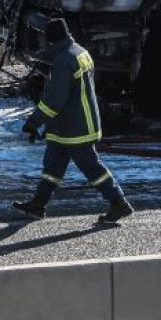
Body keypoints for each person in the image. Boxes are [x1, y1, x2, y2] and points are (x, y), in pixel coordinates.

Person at [13, 19, 135, 224]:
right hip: (70, 125)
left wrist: (33, 123)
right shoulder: (80, 52)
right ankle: (38, 204)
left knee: (92, 169)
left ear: (51, 39)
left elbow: (53, 101)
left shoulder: (63, 62)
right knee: (52, 167)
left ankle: (118, 202)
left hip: (75, 128)